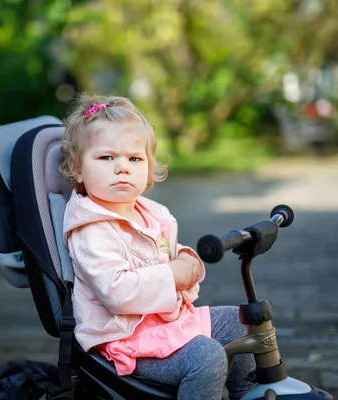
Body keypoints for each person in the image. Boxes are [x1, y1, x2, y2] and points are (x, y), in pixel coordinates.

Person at [60, 94, 256, 400]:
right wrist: (172, 276)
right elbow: (116, 291)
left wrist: (186, 261)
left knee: (240, 321)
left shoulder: (147, 211)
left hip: (165, 324)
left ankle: (248, 394)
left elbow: (167, 251)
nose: (122, 168)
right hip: (125, 339)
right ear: (79, 170)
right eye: (106, 158)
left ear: (149, 169)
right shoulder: (92, 229)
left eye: (134, 159)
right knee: (206, 357)